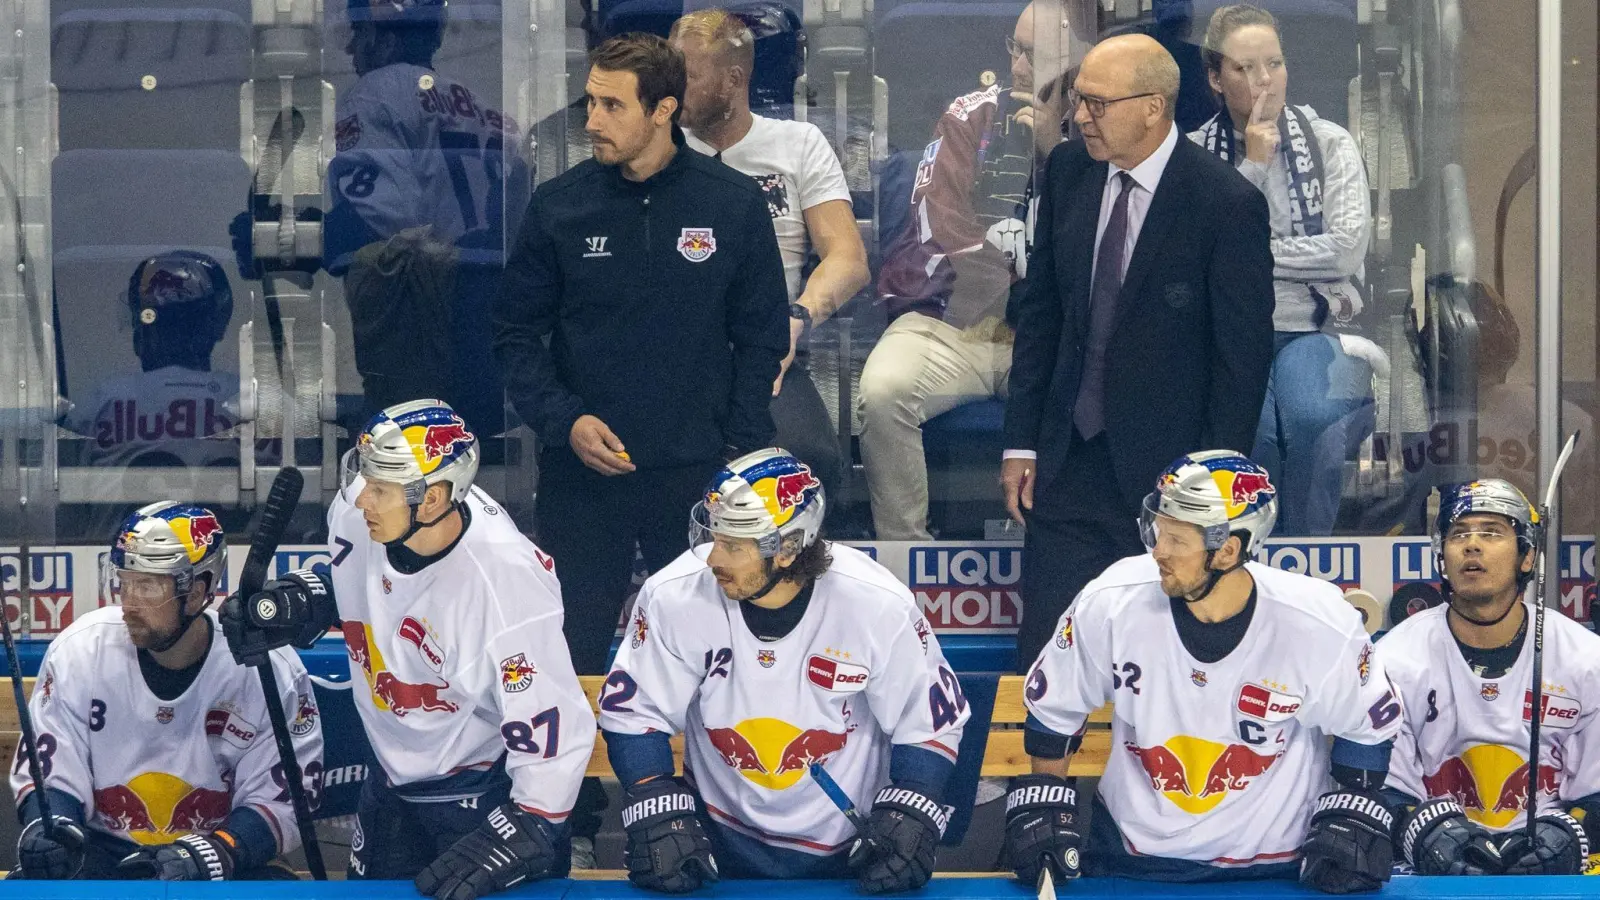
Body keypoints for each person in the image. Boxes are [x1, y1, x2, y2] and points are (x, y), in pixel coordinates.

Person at [494, 32, 788, 860]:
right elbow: (517, 336)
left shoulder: (732, 205)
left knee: (704, 657)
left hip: (699, 486)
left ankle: (702, 822)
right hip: (584, 474)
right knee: (576, 646)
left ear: (664, 110)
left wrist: (732, 457)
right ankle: (569, 822)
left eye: (611, 104)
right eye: (590, 100)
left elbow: (761, 341)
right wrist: (564, 421)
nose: (593, 118)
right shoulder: (559, 207)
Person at [222, 399, 595, 899]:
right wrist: (304, 600)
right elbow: (360, 583)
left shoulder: (506, 580)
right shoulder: (362, 516)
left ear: (435, 499)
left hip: (480, 794)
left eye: (380, 489)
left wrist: (528, 825)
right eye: (365, 482)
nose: (361, 501)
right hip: (389, 783)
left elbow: (554, 721)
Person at [1005, 451, 1403, 888]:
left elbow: (1366, 728)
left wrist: (1353, 810)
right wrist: (1045, 803)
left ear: (1228, 549)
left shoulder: (1317, 620)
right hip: (1131, 858)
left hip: (1277, 867)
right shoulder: (1112, 599)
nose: (1158, 550)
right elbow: (1055, 710)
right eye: (1158, 531)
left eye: (1178, 540)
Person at [1002, 34, 1274, 672]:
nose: (1080, 117)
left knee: (1164, 664)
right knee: (1046, 656)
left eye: (1097, 103)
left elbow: (1242, 363)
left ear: (1154, 107)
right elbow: (1041, 314)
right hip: (1068, 463)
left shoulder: (1226, 205)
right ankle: (1037, 775)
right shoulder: (1069, 170)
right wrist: (1021, 442)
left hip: (1170, 480)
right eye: (1078, 100)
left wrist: (1213, 488)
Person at [598, 449, 968, 892]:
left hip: (849, 848)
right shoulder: (673, 596)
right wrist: (653, 794)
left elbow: (928, 720)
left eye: (734, 545)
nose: (714, 558)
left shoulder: (876, 603)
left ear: (789, 548)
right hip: (716, 844)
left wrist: (912, 805)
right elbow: (634, 712)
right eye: (715, 537)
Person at [10, 503, 323, 881]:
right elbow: (51, 769)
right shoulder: (80, 651)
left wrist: (218, 852)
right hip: (102, 854)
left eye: (148, 586)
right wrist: (51, 829)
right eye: (124, 581)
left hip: (217, 857)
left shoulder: (269, 670)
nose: (129, 602)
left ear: (197, 592)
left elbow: (283, 797)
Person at [862, 1, 1076, 541]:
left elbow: (1106, 244)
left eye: (1038, 55)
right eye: (1016, 49)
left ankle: (1074, 547)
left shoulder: (1105, 124)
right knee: (884, 392)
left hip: (1063, 338)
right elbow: (941, 227)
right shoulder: (969, 114)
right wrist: (1015, 283)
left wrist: (1054, 154)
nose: (1021, 67)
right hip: (959, 321)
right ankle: (907, 561)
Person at [670, 8, 870, 503]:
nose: (672, 88)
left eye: (688, 77)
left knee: (808, 462)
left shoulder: (797, 144)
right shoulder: (660, 147)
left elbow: (848, 259)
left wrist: (795, 319)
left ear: (733, 79)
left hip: (764, 348)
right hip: (674, 351)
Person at [1190, 4, 1375, 536]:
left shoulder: (1330, 142)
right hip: (1227, 331)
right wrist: (1250, 165)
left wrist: (1251, 256)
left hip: (1319, 326)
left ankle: (1310, 555)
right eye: (1245, 68)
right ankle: (1253, 559)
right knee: (1256, 435)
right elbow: (1201, 258)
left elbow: (1344, 251)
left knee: (1313, 420)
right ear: (1215, 78)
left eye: (1273, 63)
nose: (1264, 79)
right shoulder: (1197, 154)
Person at [323, 0, 527, 436]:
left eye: (360, 34)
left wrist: (321, 232)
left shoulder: (375, 92)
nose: (351, 49)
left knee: (411, 456)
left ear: (387, 37)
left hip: (425, 315)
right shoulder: (479, 104)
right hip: (489, 307)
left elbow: (383, 218)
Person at [1376, 479, 1600, 876]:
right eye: (1458, 534)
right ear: (1441, 557)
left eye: (1492, 533)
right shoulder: (1396, 657)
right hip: (1433, 874)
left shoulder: (1585, 659)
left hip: (1547, 874)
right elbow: (1384, 794)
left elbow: (1596, 796)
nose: (1471, 545)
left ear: (1527, 557)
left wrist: (1569, 836)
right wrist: (1427, 833)